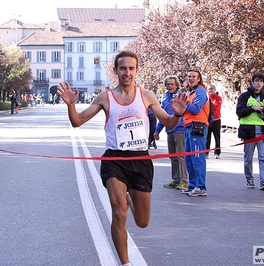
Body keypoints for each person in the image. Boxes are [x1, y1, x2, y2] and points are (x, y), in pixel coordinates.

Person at [56, 50, 187, 266]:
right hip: (114, 160)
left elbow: (170, 123)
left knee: (142, 222)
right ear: (116, 70)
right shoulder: (105, 97)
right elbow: (77, 121)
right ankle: (125, 263)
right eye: (123, 68)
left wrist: (178, 114)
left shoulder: (146, 96)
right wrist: (71, 104)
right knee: (118, 213)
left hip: (140, 160)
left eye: (131, 68)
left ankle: (129, 198)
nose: (127, 72)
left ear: (136, 70)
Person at [236, 73, 264, 190]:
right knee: (248, 158)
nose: (258, 83)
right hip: (248, 131)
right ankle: (249, 179)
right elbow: (239, 111)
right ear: (252, 82)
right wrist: (252, 108)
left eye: (261, 81)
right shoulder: (244, 96)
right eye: (256, 81)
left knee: (263, 158)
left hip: (263, 131)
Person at [154, 75, 188, 190]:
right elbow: (163, 117)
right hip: (169, 130)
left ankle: (184, 180)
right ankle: (175, 179)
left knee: (181, 156)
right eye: (168, 84)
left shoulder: (181, 97)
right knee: (173, 156)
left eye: (172, 84)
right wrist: (157, 131)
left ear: (176, 85)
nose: (170, 86)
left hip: (180, 130)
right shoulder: (164, 99)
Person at [180, 68, 210, 197]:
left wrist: (183, 103)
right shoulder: (189, 92)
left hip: (198, 127)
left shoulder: (201, 91)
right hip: (188, 127)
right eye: (189, 76)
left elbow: (196, 109)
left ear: (199, 78)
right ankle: (192, 185)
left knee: (198, 158)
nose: (191, 78)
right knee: (189, 158)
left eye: (194, 76)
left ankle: (200, 186)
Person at [206, 84, 222, 159]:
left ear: (215, 89)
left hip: (216, 120)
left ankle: (217, 153)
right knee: (207, 137)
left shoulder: (218, 98)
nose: (210, 90)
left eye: (212, 89)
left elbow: (216, 107)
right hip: (208, 120)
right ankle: (206, 152)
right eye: (209, 89)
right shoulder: (206, 97)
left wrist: (209, 104)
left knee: (217, 137)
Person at [144, 82, 157, 149]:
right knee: (147, 130)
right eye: (144, 85)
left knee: (153, 129)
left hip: (152, 114)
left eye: (147, 85)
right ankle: (148, 143)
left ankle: (154, 142)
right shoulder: (141, 94)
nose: (146, 86)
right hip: (146, 115)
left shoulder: (152, 94)